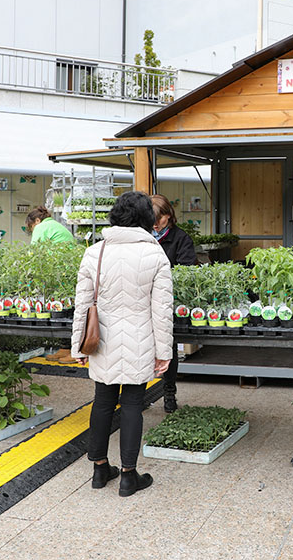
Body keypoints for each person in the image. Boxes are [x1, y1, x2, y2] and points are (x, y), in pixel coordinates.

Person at [71, 191, 173, 497]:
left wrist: (77, 346)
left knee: (102, 401)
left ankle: (99, 469)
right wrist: (164, 351)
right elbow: (162, 310)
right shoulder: (155, 254)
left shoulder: (95, 252)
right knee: (132, 405)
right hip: (141, 339)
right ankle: (129, 476)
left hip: (102, 339)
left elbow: (82, 305)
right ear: (147, 219)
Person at [151, 193, 197, 413]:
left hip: (168, 301)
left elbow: (188, 271)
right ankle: (135, 392)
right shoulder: (143, 236)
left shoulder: (181, 239)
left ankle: (169, 391)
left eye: (159, 219)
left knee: (168, 346)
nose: (155, 224)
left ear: (168, 215)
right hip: (143, 300)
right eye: (151, 220)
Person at [28, 205, 78, 363]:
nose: (32, 230)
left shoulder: (41, 227)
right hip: (67, 272)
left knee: (62, 313)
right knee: (67, 311)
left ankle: (75, 351)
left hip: (58, 274)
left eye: (31, 227)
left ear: (37, 220)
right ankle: (66, 348)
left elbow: (33, 253)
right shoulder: (57, 225)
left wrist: (28, 275)